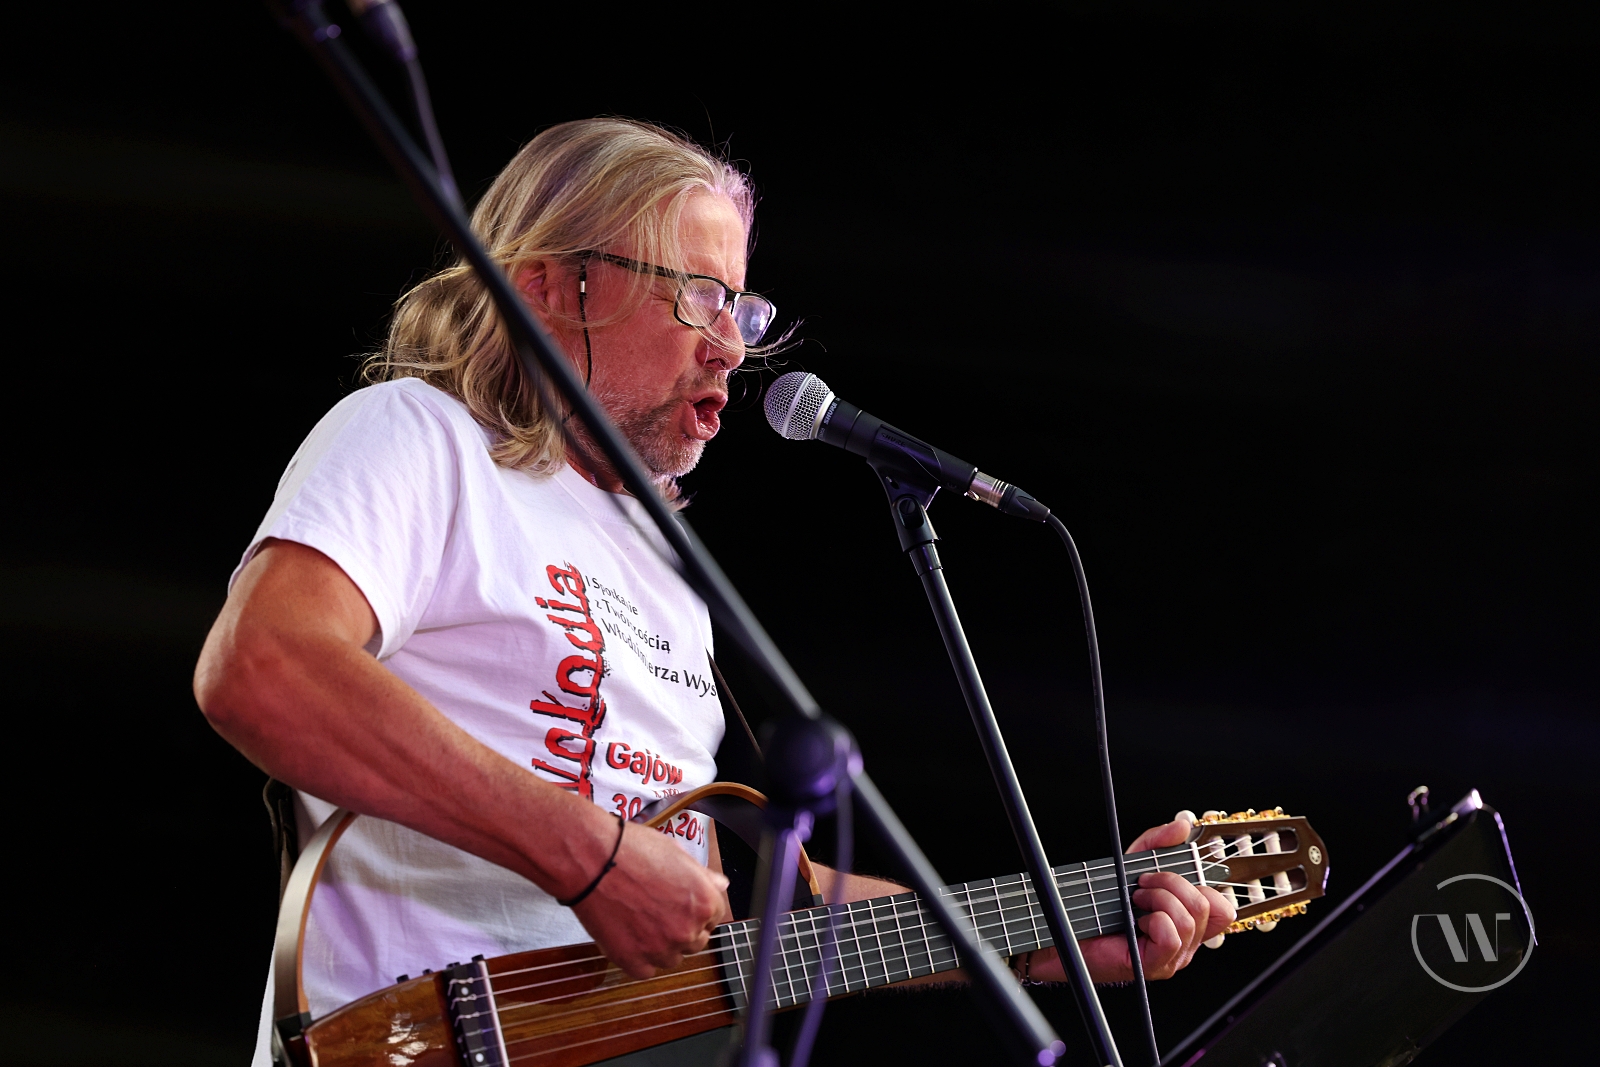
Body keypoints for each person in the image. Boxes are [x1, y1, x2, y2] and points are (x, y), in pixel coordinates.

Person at [193, 118, 1234, 1065]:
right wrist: (591, 856)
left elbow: (756, 909)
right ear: (551, 285)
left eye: (742, 305)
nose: (731, 344)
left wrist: (1054, 937)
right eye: (697, 293)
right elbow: (265, 666)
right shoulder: (424, 438)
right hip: (415, 1034)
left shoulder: (664, 572)